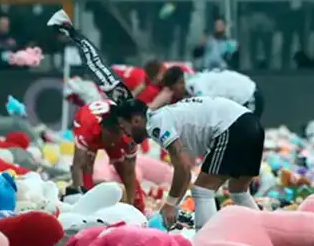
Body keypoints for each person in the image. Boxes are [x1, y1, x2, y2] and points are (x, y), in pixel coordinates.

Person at [112, 96, 264, 229]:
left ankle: (206, 244)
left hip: (234, 127)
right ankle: (264, 230)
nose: (124, 133)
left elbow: (183, 168)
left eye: (123, 126)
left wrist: (170, 204)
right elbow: (185, 174)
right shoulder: (165, 116)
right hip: (251, 124)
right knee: (239, 191)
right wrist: (174, 205)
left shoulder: (156, 123)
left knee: (202, 190)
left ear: (136, 120)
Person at [69, 99, 144, 212]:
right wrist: (80, 198)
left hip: (114, 132)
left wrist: (132, 206)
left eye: (115, 140)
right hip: (89, 128)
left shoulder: (128, 136)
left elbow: (130, 172)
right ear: (102, 129)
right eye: (109, 139)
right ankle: (89, 208)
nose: (111, 144)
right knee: (86, 167)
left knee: (124, 168)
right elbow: (77, 165)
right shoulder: (87, 130)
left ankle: (140, 207)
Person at [151, 66, 263, 117]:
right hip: (246, 94)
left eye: (172, 89)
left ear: (180, 82)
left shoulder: (195, 86)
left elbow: (207, 108)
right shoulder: (193, 80)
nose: (173, 94)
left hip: (248, 95)